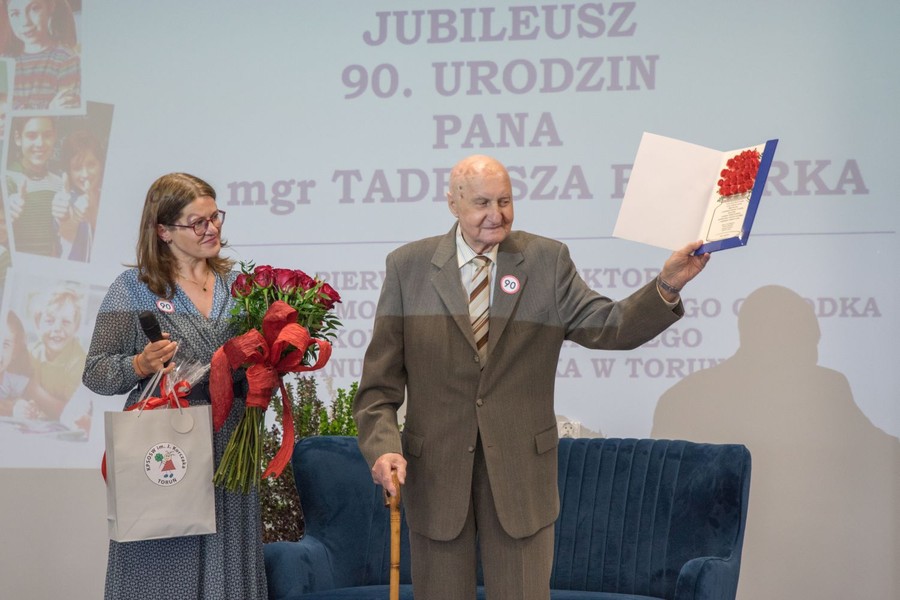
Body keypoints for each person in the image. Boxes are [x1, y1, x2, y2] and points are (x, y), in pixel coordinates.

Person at [353, 154, 711, 600]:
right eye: (482, 202)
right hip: (436, 478)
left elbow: (610, 326)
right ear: (452, 204)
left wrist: (668, 285)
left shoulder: (546, 260)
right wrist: (384, 446)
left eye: (504, 200)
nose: (496, 214)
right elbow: (377, 390)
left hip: (521, 478)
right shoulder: (408, 267)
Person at [82, 172, 268, 599]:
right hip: (168, 442)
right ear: (163, 231)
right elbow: (95, 371)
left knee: (228, 552)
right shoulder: (134, 289)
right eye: (197, 222)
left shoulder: (241, 287)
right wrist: (139, 363)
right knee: (167, 556)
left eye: (215, 217)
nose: (212, 229)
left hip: (230, 441)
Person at [15, 285, 86, 421]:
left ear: (75, 327)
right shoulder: (29, 353)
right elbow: (13, 390)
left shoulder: (79, 362)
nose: (57, 328)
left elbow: (69, 413)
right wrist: (20, 405)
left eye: (65, 322)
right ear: (37, 324)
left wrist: (33, 390)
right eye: (49, 321)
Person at [2, 0, 80, 110]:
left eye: (34, 9)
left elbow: (66, 107)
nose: (25, 22)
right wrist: (47, 108)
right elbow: (2, 106)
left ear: (50, 7)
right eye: (15, 14)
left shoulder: (67, 59)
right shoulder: (4, 61)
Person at [6, 114, 63, 257]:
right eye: (32, 136)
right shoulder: (7, 178)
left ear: (55, 137)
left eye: (47, 135)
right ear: (18, 138)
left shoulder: (59, 183)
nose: (40, 143)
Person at [51, 129, 104, 261]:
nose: (85, 174)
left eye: (91, 164)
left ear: (101, 164)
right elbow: (66, 233)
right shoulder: (65, 200)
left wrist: (93, 215)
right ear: (68, 171)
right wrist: (71, 219)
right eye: (77, 168)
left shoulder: (109, 198)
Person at [0, 310, 30, 416]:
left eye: (5, 344)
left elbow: (32, 396)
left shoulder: (11, 380)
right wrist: (10, 408)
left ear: (15, 352)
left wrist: (28, 406)